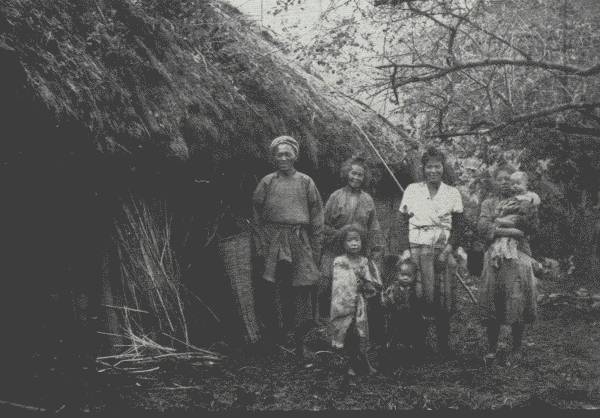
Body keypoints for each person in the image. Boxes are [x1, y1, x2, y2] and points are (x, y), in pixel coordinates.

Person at [252, 135, 324, 363]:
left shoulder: (305, 182)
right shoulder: (267, 182)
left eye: (287, 154)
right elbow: (256, 213)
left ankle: (300, 341)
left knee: (301, 289)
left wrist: (315, 247)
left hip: (298, 239)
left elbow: (317, 216)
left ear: (295, 156)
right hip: (273, 239)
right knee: (274, 289)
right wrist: (261, 243)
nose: (283, 158)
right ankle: (277, 339)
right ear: (273, 157)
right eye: (279, 154)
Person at [398, 146, 465, 357]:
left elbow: (459, 225)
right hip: (417, 247)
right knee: (417, 295)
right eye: (429, 167)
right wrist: (405, 250)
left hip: (440, 249)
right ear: (423, 168)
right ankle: (418, 345)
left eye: (437, 167)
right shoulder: (412, 190)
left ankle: (443, 345)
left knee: (442, 297)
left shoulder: (452, 193)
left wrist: (448, 249)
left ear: (443, 168)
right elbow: (402, 222)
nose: (433, 171)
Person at [478, 165, 539, 364]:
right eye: (501, 179)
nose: (505, 183)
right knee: (492, 298)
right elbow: (483, 227)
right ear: (495, 181)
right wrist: (513, 231)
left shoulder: (527, 201)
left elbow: (531, 228)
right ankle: (492, 348)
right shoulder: (488, 203)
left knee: (517, 299)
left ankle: (517, 348)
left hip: (518, 255)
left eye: (509, 179)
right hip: (494, 255)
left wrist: (500, 226)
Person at [319, 157, 384, 337]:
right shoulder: (335, 196)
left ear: (365, 178)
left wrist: (375, 253)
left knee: (363, 290)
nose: (356, 177)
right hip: (335, 249)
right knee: (326, 286)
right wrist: (342, 233)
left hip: (359, 251)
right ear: (347, 173)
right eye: (353, 173)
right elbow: (323, 225)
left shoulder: (367, 200)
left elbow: (374, 228)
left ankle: (360, 332)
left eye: (360, 175)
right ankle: (327, 329)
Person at [329, 224, 381, 377]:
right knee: (348, 333)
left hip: (360, 304)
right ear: (343, 243)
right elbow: (342, 284)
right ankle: (348, 364)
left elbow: (369, 280)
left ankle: (365, 363)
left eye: (357, 240)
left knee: (362, 334)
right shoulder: (340, 261)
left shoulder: (364, 261)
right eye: (350, 240)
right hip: (344, 304)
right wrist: (356, 282)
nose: (354, 244)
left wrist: (368, 284)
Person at [488, 170, 540, 269]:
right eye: (513, 184)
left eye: (518, 183)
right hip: (508, 228)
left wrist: (508, 220)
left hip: (519, 228)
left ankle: (532, 265)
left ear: (526, 185)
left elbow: (525, 217)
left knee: (522, 256)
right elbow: (502, 210)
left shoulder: (528, 198)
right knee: (502, 242)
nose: (515, 186)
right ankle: (497, 257)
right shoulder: (512, 198)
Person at [380, 258, 425, 368]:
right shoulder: (393, 288)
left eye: (409, 276)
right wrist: (388, 301)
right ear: (397, 275)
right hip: (396, 318)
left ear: (414, 277)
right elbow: (386, 301)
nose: (405, 278)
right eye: (402, 275)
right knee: (393, 337)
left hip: (411, 318)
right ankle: (391, 356)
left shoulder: (414, 290)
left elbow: (419, 304)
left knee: (415, 335)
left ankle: (415, 355)